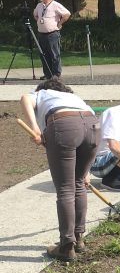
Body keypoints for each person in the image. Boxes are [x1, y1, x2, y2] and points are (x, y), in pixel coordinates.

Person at [19, 79, 100, 261]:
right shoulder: (72, 97)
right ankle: (78, 239)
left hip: (64, 125)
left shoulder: (42, 93)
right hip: (92, 125)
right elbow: (84, 125)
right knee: (78, 183)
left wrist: (35, 129)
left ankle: (66, 246)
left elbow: (25, 98)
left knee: (65, 189)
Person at [33, 0, 70, 80]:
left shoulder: (55, 5)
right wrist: (40, 21)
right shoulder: (39, 5)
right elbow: (35, 15)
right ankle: (48, 74)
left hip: (52, 34)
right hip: (41, 34)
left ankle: (56, 74)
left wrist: (59, 23)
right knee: (43, 55)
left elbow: (67, 14)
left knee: (54, 55)